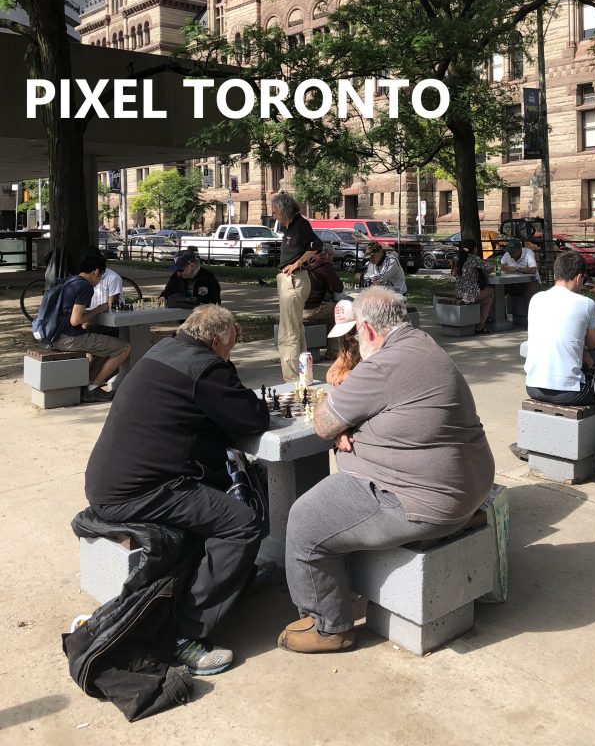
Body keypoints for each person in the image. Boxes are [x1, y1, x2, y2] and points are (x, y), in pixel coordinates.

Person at [278, 287, 495, 653]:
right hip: (467, 484)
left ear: (367, 330)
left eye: (357, 335)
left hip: (420, 499)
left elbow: (322, 424)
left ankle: (329, 627)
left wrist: (344, 425)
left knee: (305, 519)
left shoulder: (383, 364)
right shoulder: (422, 343)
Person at [83, 305, 270, 676]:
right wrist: (225, 365)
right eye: (235, 338)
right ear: (217, 340)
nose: (237, 344)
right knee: (242, 522)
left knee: (220, 494)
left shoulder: (163, 350)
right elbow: (252, 417)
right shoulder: (205, 367)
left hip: (109, 483)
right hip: (139, 493)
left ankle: (235, 576)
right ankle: (186, 635)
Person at [523, 250, 595, 483]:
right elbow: (593, 343)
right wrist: (585, 348)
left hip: (533, 385)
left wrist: (580, 348)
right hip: (568, 390)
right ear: (579, 277)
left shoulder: (537, 299)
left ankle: (530, 442)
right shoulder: (586, 303)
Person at [51, 248, 131, 403]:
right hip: (70, 338)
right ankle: (92, 389)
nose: (99, 281)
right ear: (96, 271)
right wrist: (97, 310)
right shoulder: (85, 287)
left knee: (104, 346)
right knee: (124, 348)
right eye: (100, 277)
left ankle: (87, 385)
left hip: (57, 335)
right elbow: (76, 320)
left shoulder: (70, 281)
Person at [273, 191, 322, 381]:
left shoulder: (300, 225)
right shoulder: (290, 227)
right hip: (290, 280)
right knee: (296, 329)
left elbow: (316, 245)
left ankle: (291, 378)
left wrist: (297, 263)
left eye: (276, 212)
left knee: (288, 332)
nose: (274, 215)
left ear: (285, 211)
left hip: (294, 280)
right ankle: (303, 374)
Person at [303, 246, 344, 352]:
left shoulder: (309, 263)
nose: (332, 260)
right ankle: (333, 350)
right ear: (327, 255)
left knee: (329, 311)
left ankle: (326, 343)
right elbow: (338, 287)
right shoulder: (324, 265)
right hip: (312, 308)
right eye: (332, 257)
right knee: (338, 312)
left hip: (300, 307)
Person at [451, 238, 494, 333]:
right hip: (469, 294)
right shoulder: (475, 259)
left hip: (459, 292)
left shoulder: (457, 258)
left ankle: (479, 323)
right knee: (491, 291)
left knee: (487, 300)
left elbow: (453, 275)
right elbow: (489, 269)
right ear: (474, 248)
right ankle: (480, 326)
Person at [325, 297, 361, 386]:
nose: (347, 338)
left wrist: (344, 374)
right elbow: (330, 374)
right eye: (344, 333)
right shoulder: (353, 345)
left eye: (351, 330)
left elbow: (368, 377)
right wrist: (344, 374)